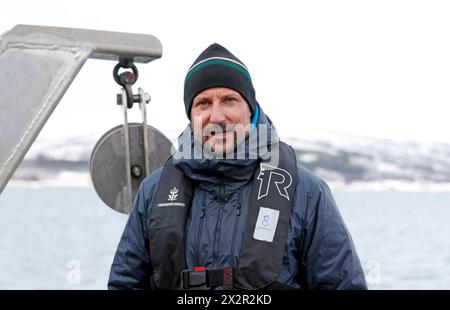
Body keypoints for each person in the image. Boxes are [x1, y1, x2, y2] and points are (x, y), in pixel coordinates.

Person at [108, 43, 367, 290]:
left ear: (250, 110)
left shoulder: (306, 192)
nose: (217, 116)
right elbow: (125, 283)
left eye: (229, 100)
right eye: (203, 103)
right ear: (191, 114)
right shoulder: (153, 192)